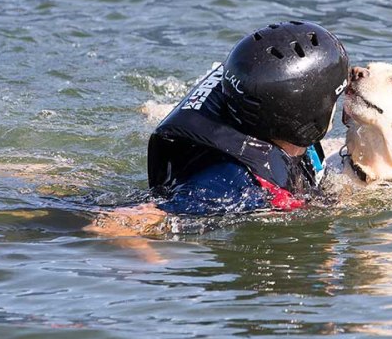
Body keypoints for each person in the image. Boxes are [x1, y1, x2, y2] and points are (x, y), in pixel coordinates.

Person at [147, 21, 348, 216]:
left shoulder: (286, 136)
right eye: (333, 99)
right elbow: (121, 223)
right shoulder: (233, 186)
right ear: (303, 115)